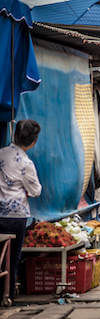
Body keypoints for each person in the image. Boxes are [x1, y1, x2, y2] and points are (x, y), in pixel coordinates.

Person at [0, 120, 42, 301]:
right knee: (12, 256)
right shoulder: (25, 163)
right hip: (15, 216)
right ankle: (6, 294)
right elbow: (36, 191)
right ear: (33, 141)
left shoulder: (1, 153)